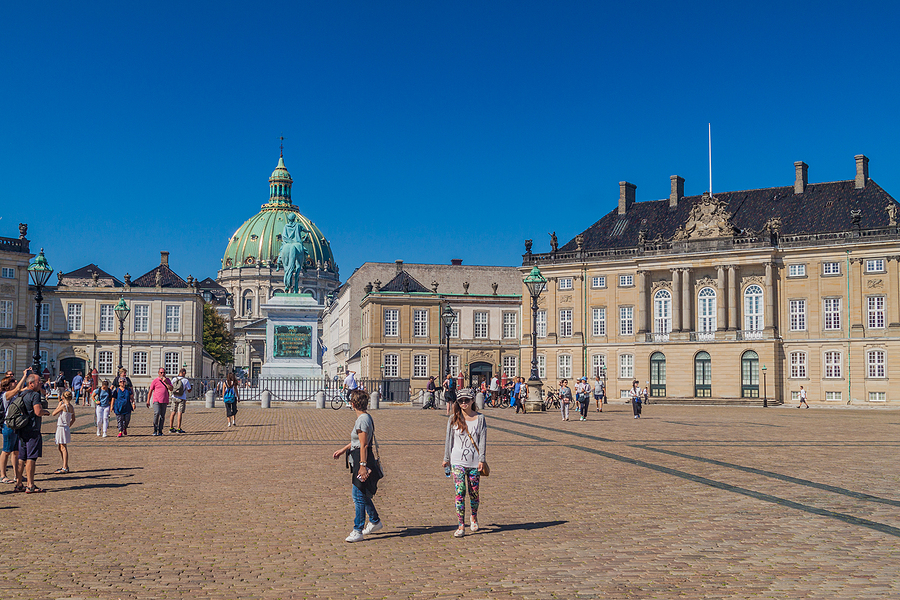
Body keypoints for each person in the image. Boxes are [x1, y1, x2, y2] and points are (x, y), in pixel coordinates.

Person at [332, 389, 383, 543]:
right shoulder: (365, 418)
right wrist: (343, 450)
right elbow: (357, 441)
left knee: (357, 495)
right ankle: (374, 521)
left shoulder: (362, 420)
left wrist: (362, 466)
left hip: (362, 459)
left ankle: (358, 529)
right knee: (362, 493)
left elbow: (363, 445)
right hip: (358, 457)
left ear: (352, 404)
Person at [442, 388, 486, 538]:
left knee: (474, 493)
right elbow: (449, 441)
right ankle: (461, 525)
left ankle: (473, 516)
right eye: (461, 401)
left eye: (467, 400)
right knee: (460, 492)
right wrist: (446, 459)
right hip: (457, 461)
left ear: (473, 400)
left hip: (474, 462)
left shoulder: (480, 418)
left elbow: (482, 441)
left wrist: (482, 459)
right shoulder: (453, 419)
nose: (464, 403)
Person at [15, 373, 50, 493]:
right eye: (38, 381)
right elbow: (38, 411)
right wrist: (45, 412)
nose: (40, 383)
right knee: (31, 457)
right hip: (32, 429)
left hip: (21, 428)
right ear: (31, 383)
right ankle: (30, 485)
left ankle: (19, 483)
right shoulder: (34, 395)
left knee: (21, 457)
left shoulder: (22, 393)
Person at [1, 372, 26, 484]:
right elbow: (17, 390)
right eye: (13, 381)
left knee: (16, 451)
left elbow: (25, 389)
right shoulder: (5, 395)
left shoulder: (15, 394)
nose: (15, 382)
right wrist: (24, 376)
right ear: (7, 386)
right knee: (6, 451)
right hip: (8, 425)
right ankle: (2, 475)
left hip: (16, 425)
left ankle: (17, 475)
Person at [51, 390, 75, 473]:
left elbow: (53, 413)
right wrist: (68, 425)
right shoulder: (71, 407)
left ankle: (65, 467)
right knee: (60, 446)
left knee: (63, 447)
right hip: (65, 427)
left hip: (62, 427)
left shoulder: (64, 406)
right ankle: (65, 465)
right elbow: (73, 419)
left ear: (63, 397)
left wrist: (58, 406)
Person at [147, 368, 173, 436]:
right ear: (158, 373)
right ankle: (155, 429)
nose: (162, 374)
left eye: (164, 372)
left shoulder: (168, 380)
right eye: (161, 372)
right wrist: (148, 401)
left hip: (164, 400)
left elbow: (171, 389)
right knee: (157, 413)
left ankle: (160, 431)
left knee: (162, 416)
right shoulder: (155, 381)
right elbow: (150, 391)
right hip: (156, 400)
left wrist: (166, 383)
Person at [169, 368, 191, 433]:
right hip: (182, 397)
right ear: (183, 373)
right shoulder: (185, 380)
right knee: (179, 412)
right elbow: (189, 390)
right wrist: (191, 387)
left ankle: (171, 427)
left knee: (173, 412)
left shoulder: (174, 379)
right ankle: (178, 428)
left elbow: (171, 387)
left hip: (174, 397)